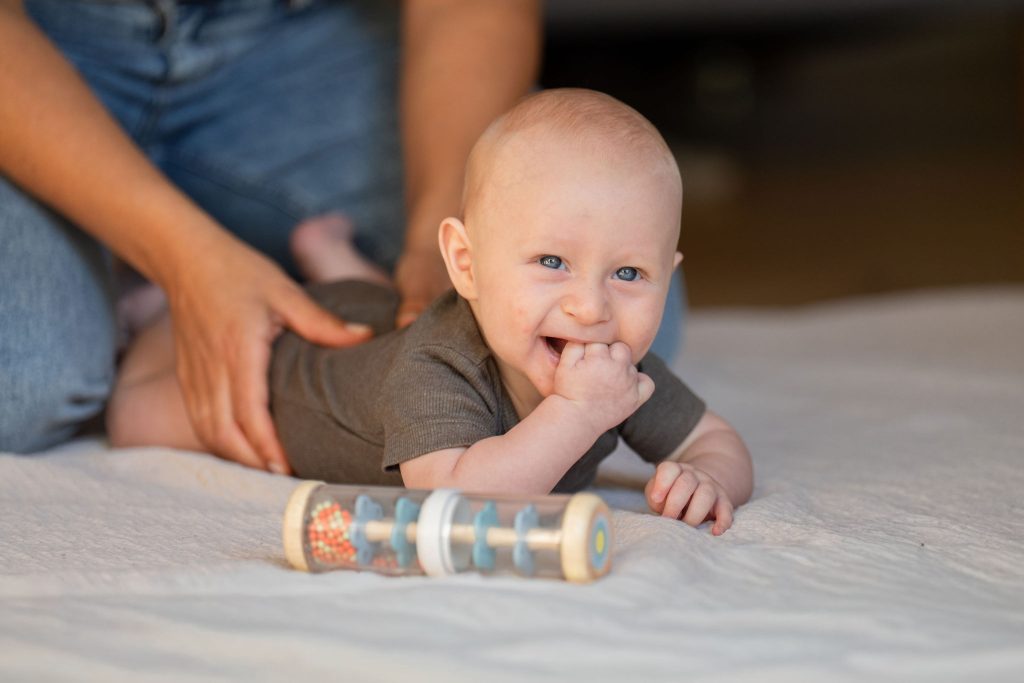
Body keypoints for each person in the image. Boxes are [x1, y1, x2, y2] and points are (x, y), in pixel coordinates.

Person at [107, 89, 753, 533]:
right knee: (134, 417)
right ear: (465, 263)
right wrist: (578, 413)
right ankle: (157, 310)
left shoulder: (611, 364)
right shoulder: (439, 367)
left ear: (667, 274)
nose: (591, 307)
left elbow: (714, 440)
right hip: (294, 371)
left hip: (388, 318)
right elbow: (455, 499)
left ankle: (335, 257)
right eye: (552, 262)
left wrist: (710, 476)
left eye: (630, 273)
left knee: (394, 308)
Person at [0, 0, 544, 470]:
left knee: (545, 211)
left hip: (289, 40)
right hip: (38, 43)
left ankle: (155, 284)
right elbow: (471, 484)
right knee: (24, 385)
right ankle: (155, 290)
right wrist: (185, 260)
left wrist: (434, 234)